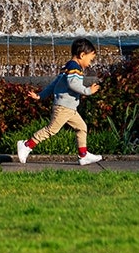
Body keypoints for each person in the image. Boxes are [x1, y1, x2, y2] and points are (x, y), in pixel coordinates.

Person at [17, 37, 103, 166]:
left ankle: (83, 155)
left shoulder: (67, 68)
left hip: (70, 108)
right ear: (82, 55)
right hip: (63, 107)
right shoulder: (75, 68)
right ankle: (26, 145)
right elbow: (73, 84)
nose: (90, 63)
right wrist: (87, 91)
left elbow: (54, 85)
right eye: (90, 59)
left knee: (81, 127)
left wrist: (40, 96)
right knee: (51, 130)